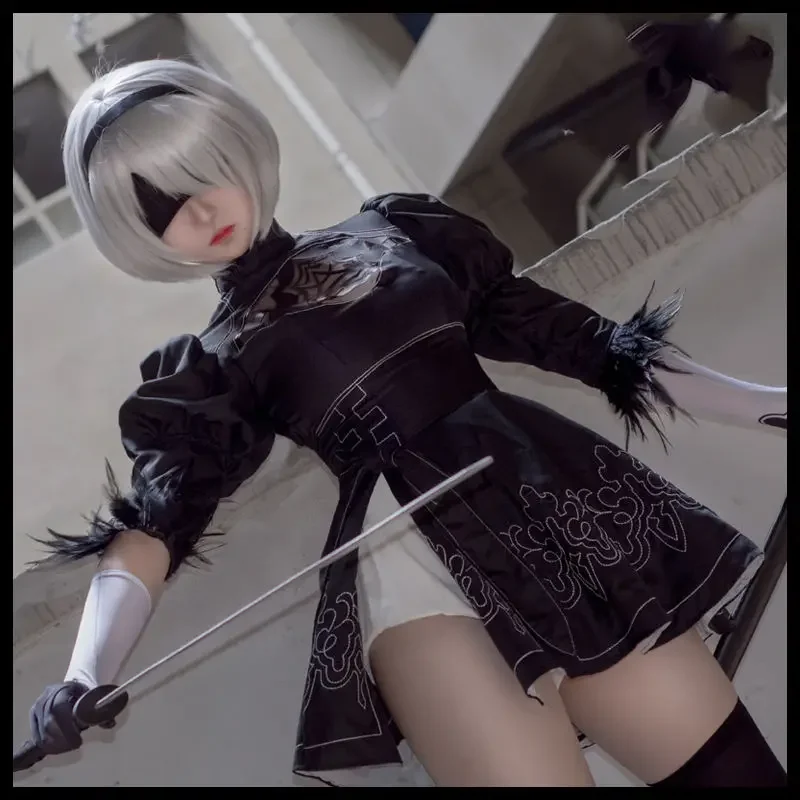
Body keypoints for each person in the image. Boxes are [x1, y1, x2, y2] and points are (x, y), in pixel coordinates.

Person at [20, 59, 786, 787]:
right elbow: (157, 525)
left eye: (204, 172)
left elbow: (590, 345)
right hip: (413, 575)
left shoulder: (400, 229)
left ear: (236, 144)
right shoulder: (211, 366)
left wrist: (766, 402)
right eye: (162, 211)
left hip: (556, 520)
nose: (200, 213)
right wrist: (82, 676)